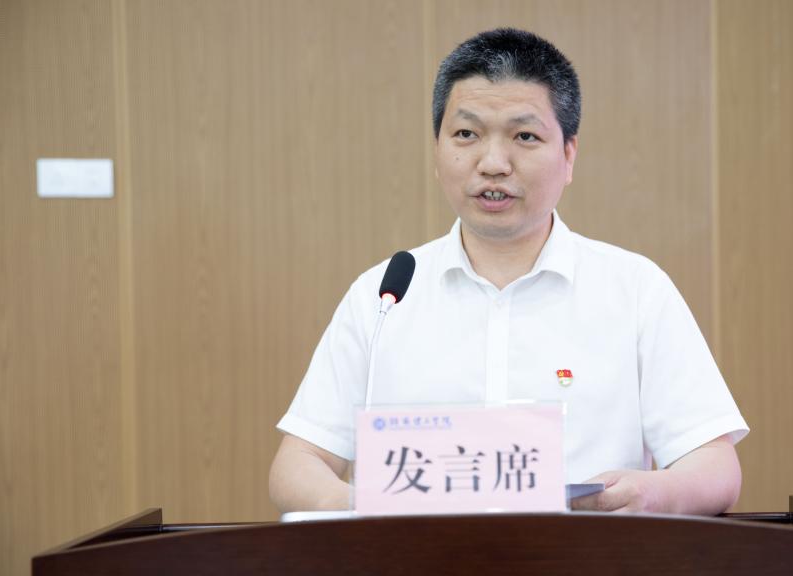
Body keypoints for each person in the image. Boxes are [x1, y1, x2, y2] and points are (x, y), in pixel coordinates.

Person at [269, 28, 748, 515]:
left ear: (568, 155)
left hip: (585, 552)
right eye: (466, 134)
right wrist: (361, 506)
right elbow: (298, 462)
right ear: (437, 150)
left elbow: (715, 465)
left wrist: (653, 494)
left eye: (524, 136)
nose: (494, 163)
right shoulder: (384, 296)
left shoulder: (635, 289)